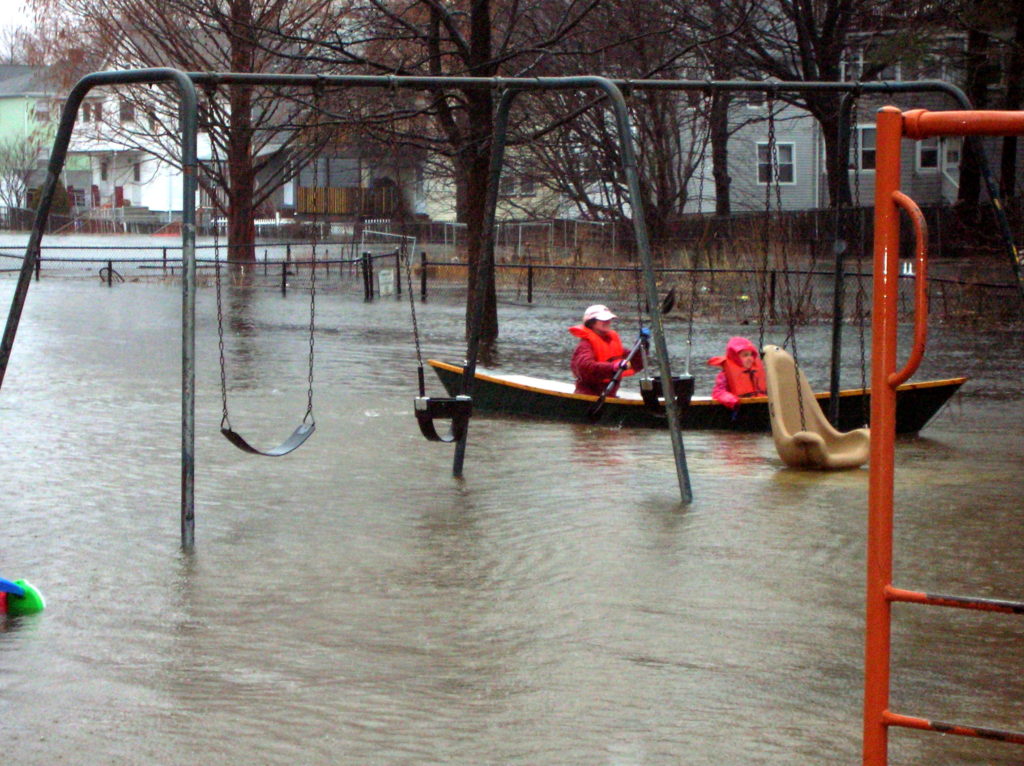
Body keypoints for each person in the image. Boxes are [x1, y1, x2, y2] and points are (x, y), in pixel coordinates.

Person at [569, 304, 646, 396]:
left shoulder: (612, 343)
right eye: (603, 320)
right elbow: (585, 368)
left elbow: (638, 363)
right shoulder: (585, 345)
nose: (607, 322)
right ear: (591, 322)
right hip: (589, 395)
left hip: (609, 394)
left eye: (608, 319)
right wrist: (612, 367)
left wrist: (641, 346)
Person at [707, 336, 766, 409]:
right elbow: (718, 392)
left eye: (751, 355)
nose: (750, 358)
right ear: (735, 357)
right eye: (745, 355)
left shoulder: (758, 372)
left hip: (758, 407)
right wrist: (730, 399)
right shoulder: (724, 375)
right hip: (738, 409)